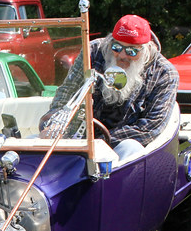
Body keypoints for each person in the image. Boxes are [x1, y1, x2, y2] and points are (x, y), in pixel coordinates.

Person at [45, 14, 179, 158]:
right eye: (116, 47)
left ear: (146, 50)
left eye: (131, 51)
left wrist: (101, 142)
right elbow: (67, 92)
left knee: (131, 147)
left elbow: (150, 128)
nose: (122, 55)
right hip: (81, 137)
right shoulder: (94, 51)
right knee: (33, 143)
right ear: (110, 42)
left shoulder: (165, 73)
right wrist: (55, 124)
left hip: (121, 146)